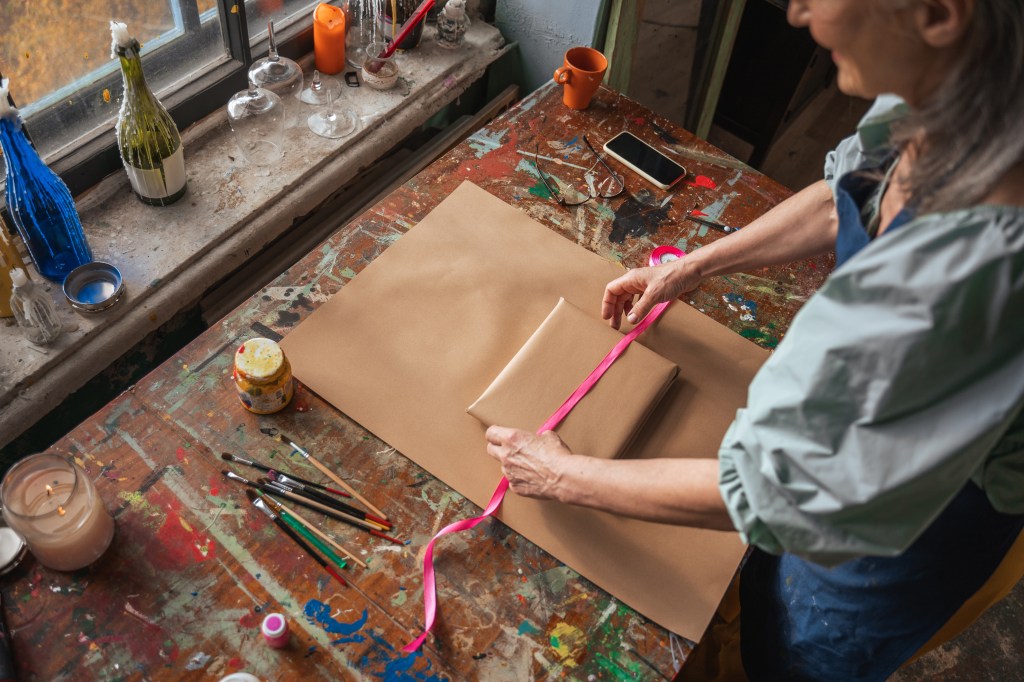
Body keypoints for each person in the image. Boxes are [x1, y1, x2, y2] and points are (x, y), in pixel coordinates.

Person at [484, 0, 1024, 678]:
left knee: (791, 651)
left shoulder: (962, 276)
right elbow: (842, 197)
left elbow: (786, 494)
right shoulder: (957, 84)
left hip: (901, 542)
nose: (795, 11)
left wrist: (562, 475)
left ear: (939, 14)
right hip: (867, 457)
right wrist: (691, 267)